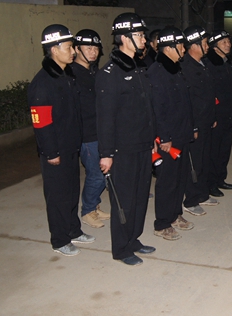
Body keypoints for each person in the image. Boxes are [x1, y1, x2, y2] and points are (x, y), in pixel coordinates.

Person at [28, 24, 94, 256]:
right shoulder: (43, 82)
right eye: (69, 47)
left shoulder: (67, 75)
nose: (74, 51)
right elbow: (41, 123)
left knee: (71, 191)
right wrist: (51, 152)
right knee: (57, 196)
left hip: (70, 146)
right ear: (54, 50)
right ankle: (60, 239)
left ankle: (73, 230)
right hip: (55, 150)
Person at [96, 13, 157, 265]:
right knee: (125, 200)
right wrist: (106, 153)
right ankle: (121, 248)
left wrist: (152, 138)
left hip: (143, 144)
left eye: (143, 34)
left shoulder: (139, 67)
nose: (144, 39)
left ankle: (133, 239)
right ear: (124, 38)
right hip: (123, 149)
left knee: (141, 197)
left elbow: (147, 108)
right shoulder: (110, 73)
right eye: (139, 35)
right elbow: (105, 117)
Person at [148, 26, 195, 240]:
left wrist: (191, 128)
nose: (184, 50)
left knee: (180, 178)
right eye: (181, 46)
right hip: (168, 138)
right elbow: (158, 108)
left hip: (181, 133)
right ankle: (162, 223)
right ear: (169, 48)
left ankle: (175, 214)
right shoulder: (157, 72)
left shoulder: (176, 68)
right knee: (167, 181)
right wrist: (164, 137)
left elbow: (184, 103)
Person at [71, 29, 111, 229]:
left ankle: (94, 205)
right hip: (87, 134)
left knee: (104, 172)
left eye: (96, 48)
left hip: (100, 131)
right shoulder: (71, 74)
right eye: (88, 48)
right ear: (77, 49)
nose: (93, 52)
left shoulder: (94, 72)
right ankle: (87, 211)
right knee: (96, 174)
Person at [181, 26, 219, 216]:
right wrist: (193, 126)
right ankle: (191, 200)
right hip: (195, 124)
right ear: (194, 45)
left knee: (204, 159)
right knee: (194, 163)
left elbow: (207, 95)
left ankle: (202, 193)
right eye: (204, 43)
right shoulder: (186, 67)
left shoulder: (202, 64)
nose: (207, 46)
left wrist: (212, 117)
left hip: (206, 121)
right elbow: (188, 101)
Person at [204, 30, 232, 197]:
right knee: (214, 152)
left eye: (228, 41)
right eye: (224, 42)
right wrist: (213, 115)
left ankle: (220, 179)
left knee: (224, 150)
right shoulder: (210, 65)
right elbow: (209, 93)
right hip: (217, 116)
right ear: (214, 46)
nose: (228, 45)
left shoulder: (226, 62)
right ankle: (211, 184)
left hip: (228, 114)